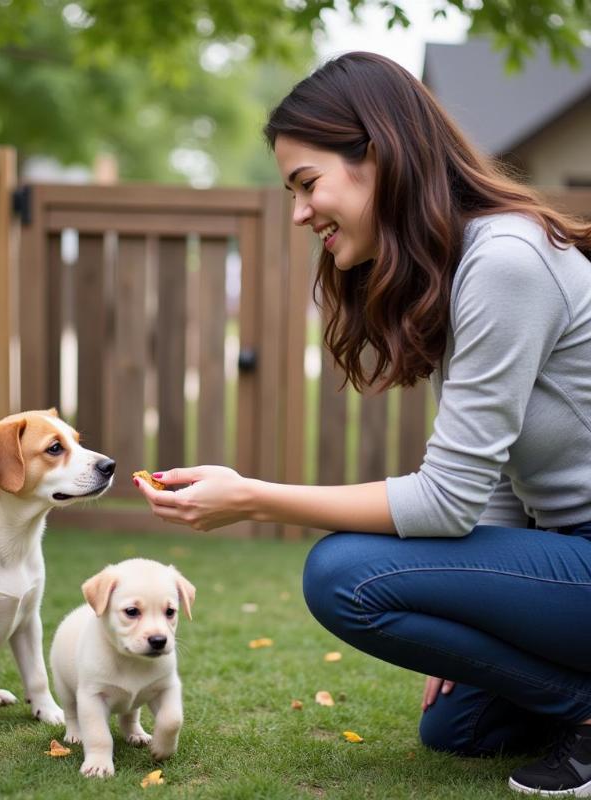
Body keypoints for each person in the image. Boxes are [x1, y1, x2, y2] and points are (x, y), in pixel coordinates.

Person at [133, 50, 591, 796]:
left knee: (343, 573)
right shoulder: (458, 264)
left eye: (307, 184)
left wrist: (252, 495)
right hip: (565, 557)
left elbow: (444, 503)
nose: (299, 212)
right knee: (459, 729)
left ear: (376, 155)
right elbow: (498, 483)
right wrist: (475, 620)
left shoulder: (506, 261)